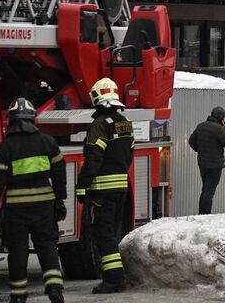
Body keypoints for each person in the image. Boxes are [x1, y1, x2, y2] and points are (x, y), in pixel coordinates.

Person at [0, 98, 68, 303]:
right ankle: (55, 289)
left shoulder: (5, 148)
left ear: (11, 120)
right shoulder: (48, 142)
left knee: (17, 252)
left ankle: (19, 295)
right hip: (44, 207)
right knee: (47, 247)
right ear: (33, 119)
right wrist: (60, 200)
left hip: (16, 210)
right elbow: (59, 174)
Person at [76, 78, 134, 293]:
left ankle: (113, 280)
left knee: (103, 233)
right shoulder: (124, 122)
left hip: (103, 189)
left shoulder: (99, 124)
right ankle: (116, 277)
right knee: (112, 233)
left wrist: (82, 186)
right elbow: (129, 154)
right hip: (120, 187)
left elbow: (93, 157)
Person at [189, 106, 225, 214]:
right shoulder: (219, 129)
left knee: (205, 190)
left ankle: (202, 214)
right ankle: (205, 215)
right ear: (221, 119)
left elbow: (191, 141)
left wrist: (200, 151)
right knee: (209, 192)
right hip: (215, 166)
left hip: (203, 164)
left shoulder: (201, 126)